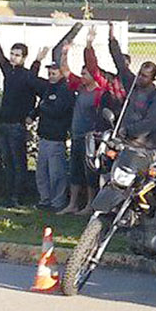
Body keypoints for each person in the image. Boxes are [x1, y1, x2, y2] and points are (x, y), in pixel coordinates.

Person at [0, 13, 48, 205]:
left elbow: (42, 91)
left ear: (23, 58)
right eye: (12, 54)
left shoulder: (27, 75)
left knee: (18, 163)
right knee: (8, 163)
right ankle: (8, 196)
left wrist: (32, 114)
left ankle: (17, 196)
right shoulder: (9, 70)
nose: (13, 57)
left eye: (17, 55)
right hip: (4, 123)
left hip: (17, 125)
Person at [67, 26, 113, 213]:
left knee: (90, 173)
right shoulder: (80, 88)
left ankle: (90, 205)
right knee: (75, 172)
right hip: (77, 135)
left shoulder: (100, 91)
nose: (82, 75)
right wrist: (65, 53)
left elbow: (93, 66)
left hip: (90, 138)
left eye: (85, 73)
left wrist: (89, 45)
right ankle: (73, 204)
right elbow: (65, 72)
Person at [33, 62, 76, 211]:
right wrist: (34, 114)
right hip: (44, 135)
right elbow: (42, 106)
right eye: (49, 74)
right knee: (42, 171)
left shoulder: (66, 90)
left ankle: (57, 201)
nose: (51, 77)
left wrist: (45, 106)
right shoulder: (48, 88)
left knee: (56, 173)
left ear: (61, 73)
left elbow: (59, 111)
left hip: (56, 137)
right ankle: (45, 199)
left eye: (54, 73)